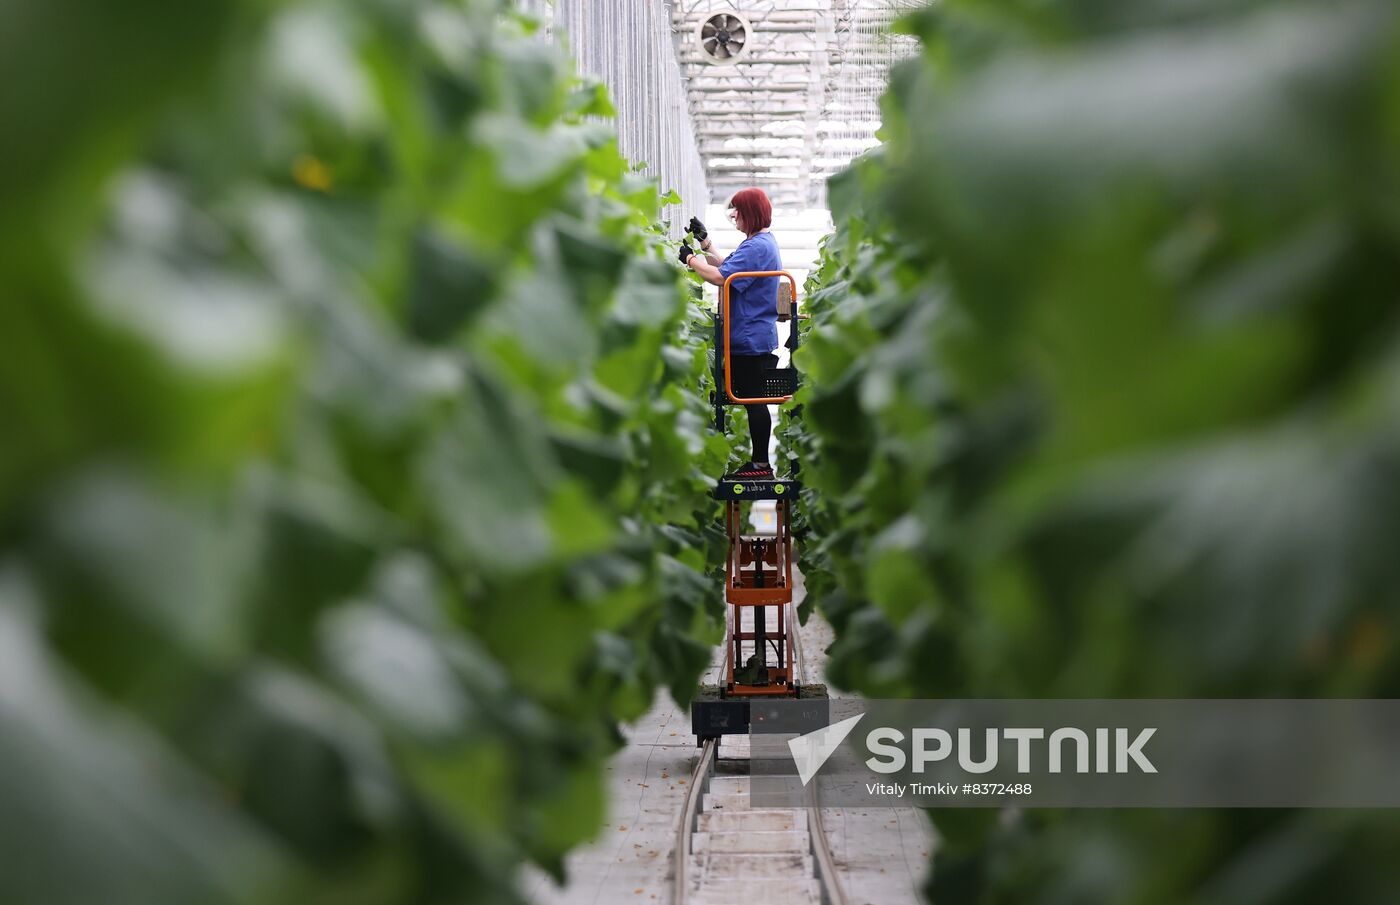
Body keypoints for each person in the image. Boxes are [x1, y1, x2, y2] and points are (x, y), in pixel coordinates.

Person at [678, 188, 782, 479]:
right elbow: (729, 268)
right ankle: (760, 463)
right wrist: (706, 245)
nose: (733, 215)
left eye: (737, 210)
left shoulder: (758, 246)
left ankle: (761, 465)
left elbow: (719, 277)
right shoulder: (758, 244)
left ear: (752, 212)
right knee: (752, 399)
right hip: (752, 336)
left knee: (754, 401)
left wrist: (689, 259)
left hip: (750, 338)